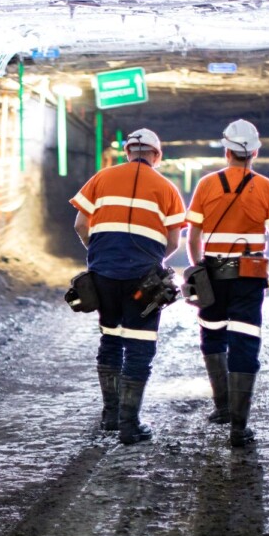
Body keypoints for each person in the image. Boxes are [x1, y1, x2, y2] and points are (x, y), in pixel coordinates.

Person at [71, 128, 186, 445]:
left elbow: (81, 225)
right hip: (143, 279)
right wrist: (150, 260)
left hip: (104, 274)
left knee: (111, 338)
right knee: (139, 344)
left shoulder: (101, 178)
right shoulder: (166, 187)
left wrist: (99, 255)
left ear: (127, 152)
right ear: (156, 155)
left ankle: (109, 416)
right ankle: (129, 423)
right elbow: (175, 240)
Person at [185, 119, 269, 447]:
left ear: (226, 151)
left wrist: (197, 268)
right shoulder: (268, 188)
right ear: (255, 152)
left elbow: (194, 235)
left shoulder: (205, 185)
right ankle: (238, 428)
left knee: (213, 335)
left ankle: (221, 408)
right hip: (250, 274)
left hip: (213, 273)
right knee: (245, 341)